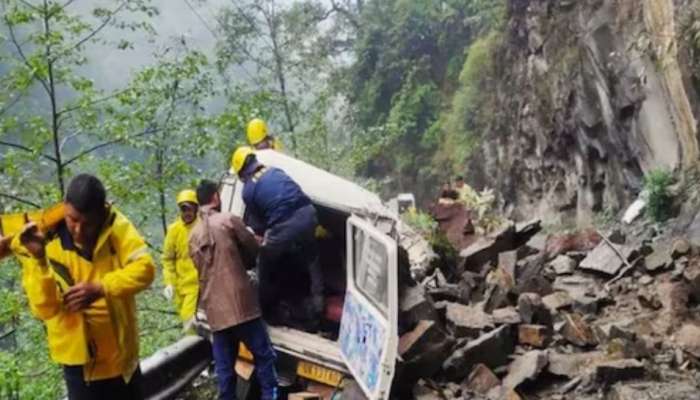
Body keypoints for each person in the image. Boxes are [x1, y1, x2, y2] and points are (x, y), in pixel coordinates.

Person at [11, 174, 155, 399]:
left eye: (86, 224)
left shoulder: (116, 226)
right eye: (72, 220)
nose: (77, 229)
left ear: (101, 214)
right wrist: (39, 260)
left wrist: (101, 288)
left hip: (123, 360)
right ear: (65, 207)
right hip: (81, 368)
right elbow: (44, 309)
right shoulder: (44, 240)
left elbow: (145, 269)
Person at [188, 180, 278, 400]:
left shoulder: (193, 236)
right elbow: (252, 247)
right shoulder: (228, 220)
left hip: (216, 313)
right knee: (264, 357)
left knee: (225, 371)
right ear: (216, 197)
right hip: (241, 306)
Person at [230, 146, 324, 330]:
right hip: (309, 214)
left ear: (241, 171)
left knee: (265, 261)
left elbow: (259, 227)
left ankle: (266, 312)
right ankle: (319, 304)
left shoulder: (249, 189)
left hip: (285, 225)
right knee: (311, 257)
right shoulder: (275, 171)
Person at [161, 189, 199, 329]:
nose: (186, 213)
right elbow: (167, 259)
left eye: (189, 209)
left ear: (196, 208)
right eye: (183, 209)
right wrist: (169, 283)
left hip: (198, 286)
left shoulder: (203, 226)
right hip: (181, 287)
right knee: (186, 319)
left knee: (190, 323)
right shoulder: (174, 230)